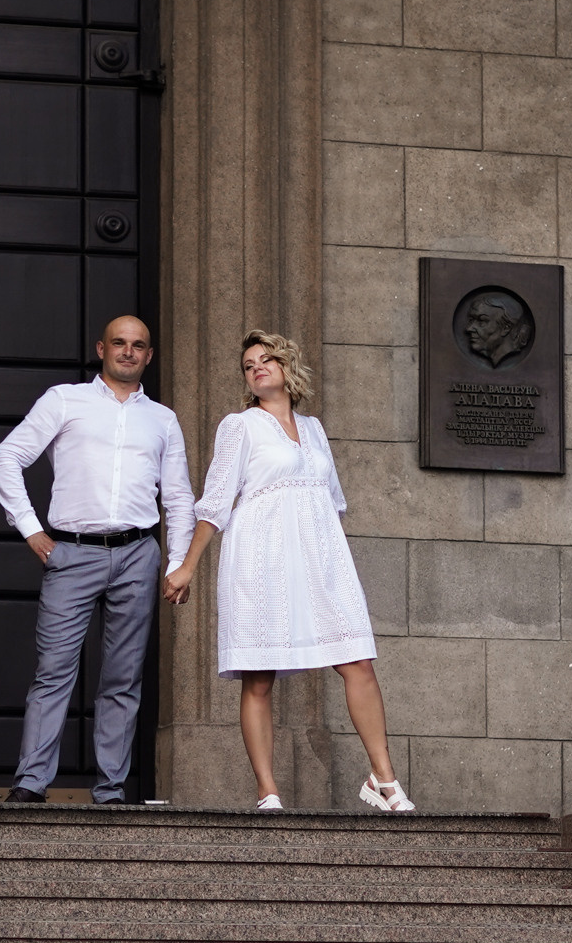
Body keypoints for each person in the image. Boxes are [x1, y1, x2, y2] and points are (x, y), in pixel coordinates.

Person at [164, 331, 412, 812]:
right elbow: (216, 501)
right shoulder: (239, 426)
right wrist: (187, 566)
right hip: (261, 556)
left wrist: (329, 557)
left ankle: (384, 781)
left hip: (320, 557)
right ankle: (267, 791)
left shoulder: (314, 429)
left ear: (286, 367)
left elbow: (333, 502)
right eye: (248, 364)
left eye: (266, 359)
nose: (257, 367)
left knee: (357, 660)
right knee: (259, 676)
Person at [0, 315, 193, 805]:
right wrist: (33, 532)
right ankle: (31, 784)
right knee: (55, 669)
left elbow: (180, 498)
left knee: (123, 677)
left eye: (138, 345)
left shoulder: (161, 418)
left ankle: (110, 790)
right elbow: (6, 459)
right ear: (101, 348)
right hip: (73, 553)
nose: (128, 352)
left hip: (138, 555)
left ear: (149, 355)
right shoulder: (65, 400)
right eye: (119, 343)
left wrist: (177, 563)